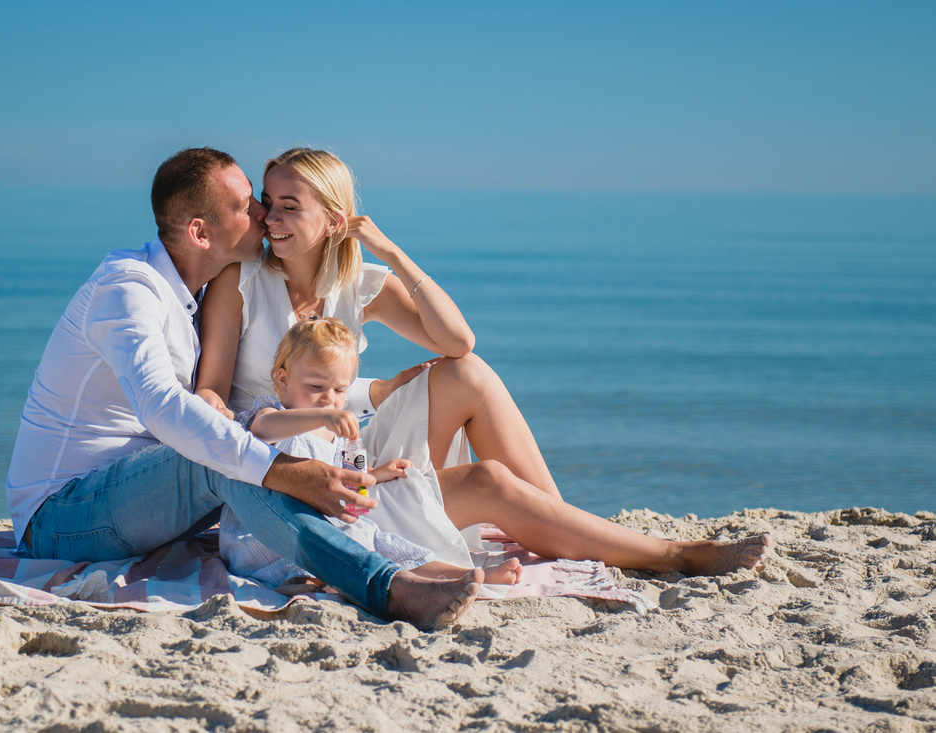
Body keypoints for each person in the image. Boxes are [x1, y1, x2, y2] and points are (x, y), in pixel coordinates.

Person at [195, 147, 771, 576]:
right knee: (490, 480)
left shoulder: (360, 282)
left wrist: (393, 253)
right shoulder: (238, 284)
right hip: (282, 464)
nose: (268, 219)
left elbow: (457, 342)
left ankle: (560, 519)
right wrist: (243, 448)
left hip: (353, 450)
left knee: (466, 374)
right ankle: (668, 554)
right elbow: (213, 392)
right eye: (269, 203)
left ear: (335, 220)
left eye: (289, 207)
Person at [5, 147, 483, 631]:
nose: (263, 213)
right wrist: (281, 471)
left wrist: (357, 402)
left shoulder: (190, 298)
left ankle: (372, 567)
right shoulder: (129, 291)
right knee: (227, 453)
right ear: (200, 232)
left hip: (142, 503)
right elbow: (162, 407)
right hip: (61, 519)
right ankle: (386, 587)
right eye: (247, 204)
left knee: (237, 447)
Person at [219, 317, 524, 591]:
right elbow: (261, 430)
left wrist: (378, 474)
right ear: (283, 380)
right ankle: (304, 584)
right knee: (319, 548)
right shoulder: (274, 414)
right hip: (267, 531)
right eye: (316, 386)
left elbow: (352, 482)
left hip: (326, 523)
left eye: (340, 390)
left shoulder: (336, 434)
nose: (329, 399)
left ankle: (458, 575)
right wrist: (320, 417)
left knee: (380, 541)